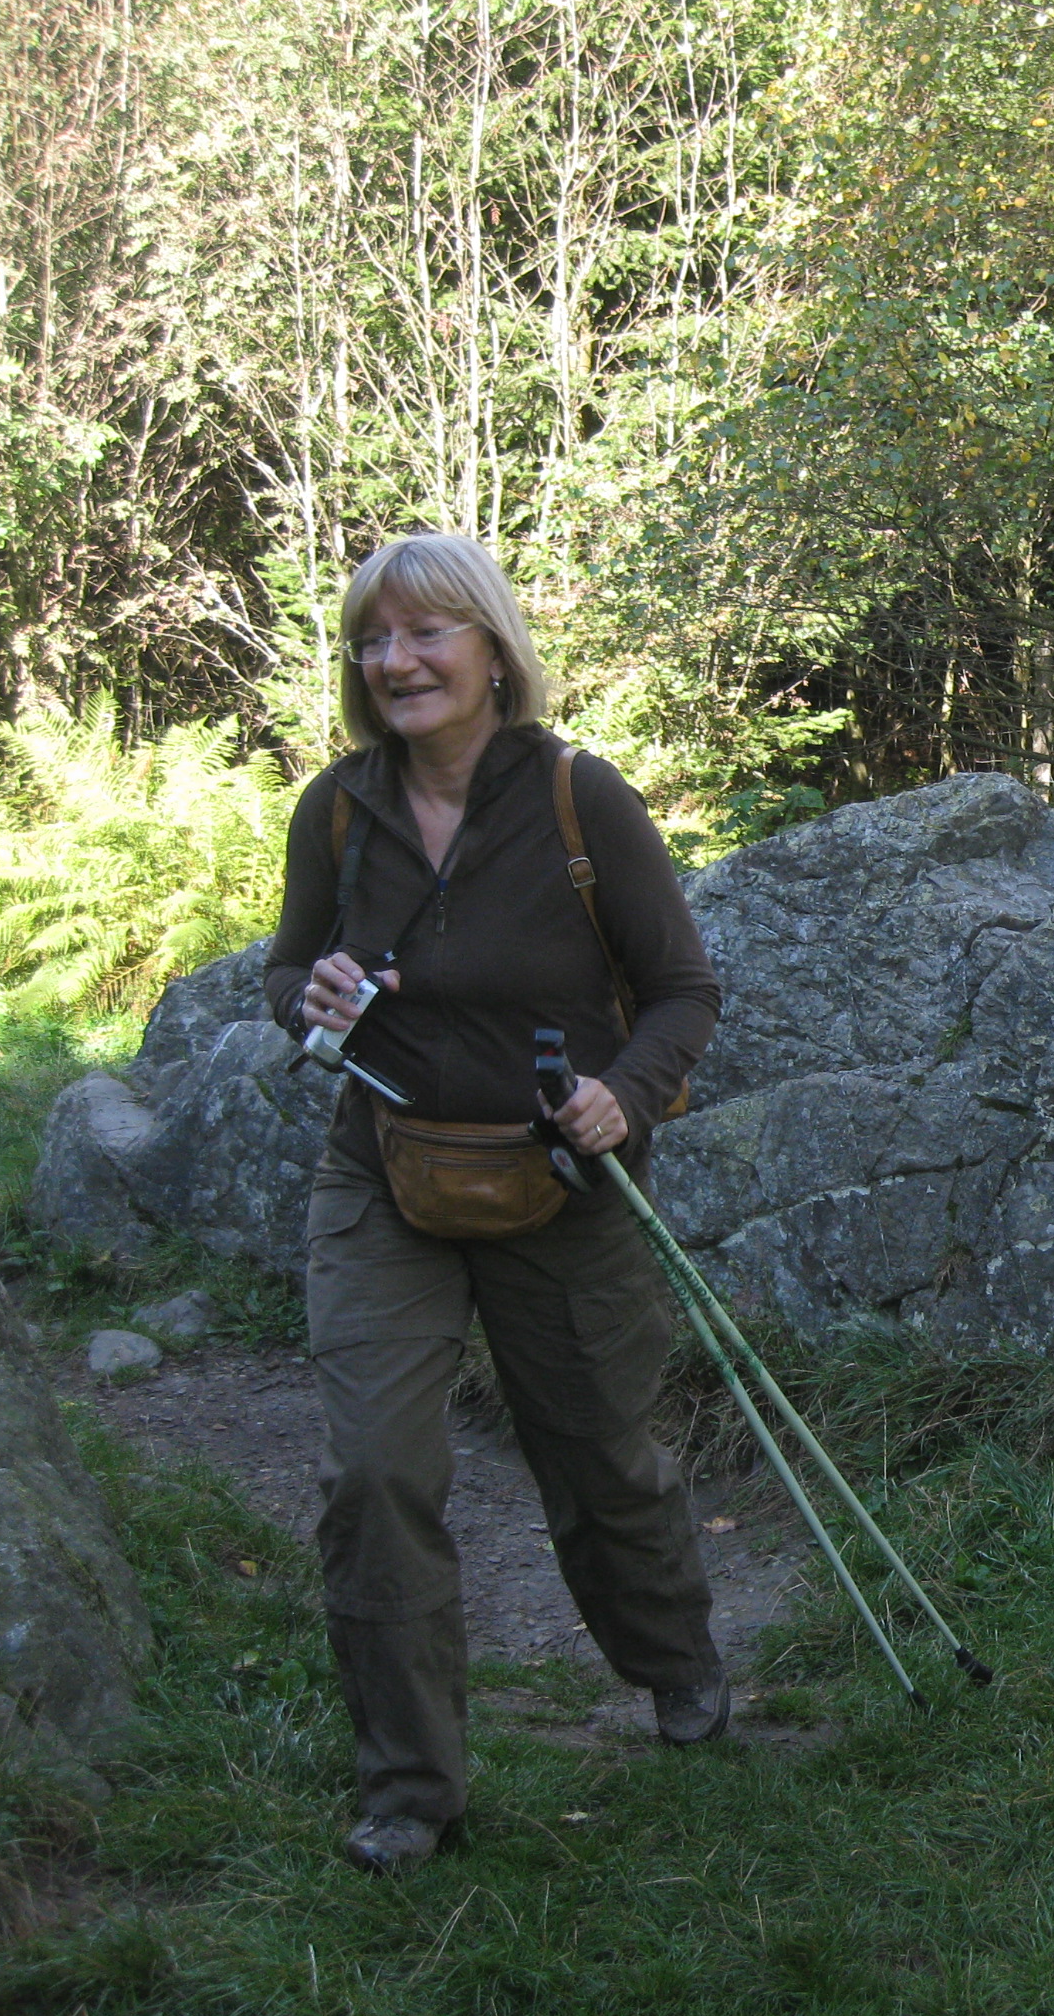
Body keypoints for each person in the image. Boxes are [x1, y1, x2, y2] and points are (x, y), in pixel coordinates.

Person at [264, 531, 727, 1877]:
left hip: (565, 1183)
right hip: (386, 1174)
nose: (395, 661)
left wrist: (624, 1095)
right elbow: (287, 971)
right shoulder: (337, 810)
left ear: (491, 649)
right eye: (373, 639)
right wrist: (312, 998)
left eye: (425, 633)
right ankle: (411, 1789)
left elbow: (684, 989)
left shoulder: (583, 800)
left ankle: (675, 1663)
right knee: (376, 1473)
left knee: (598, 1460)